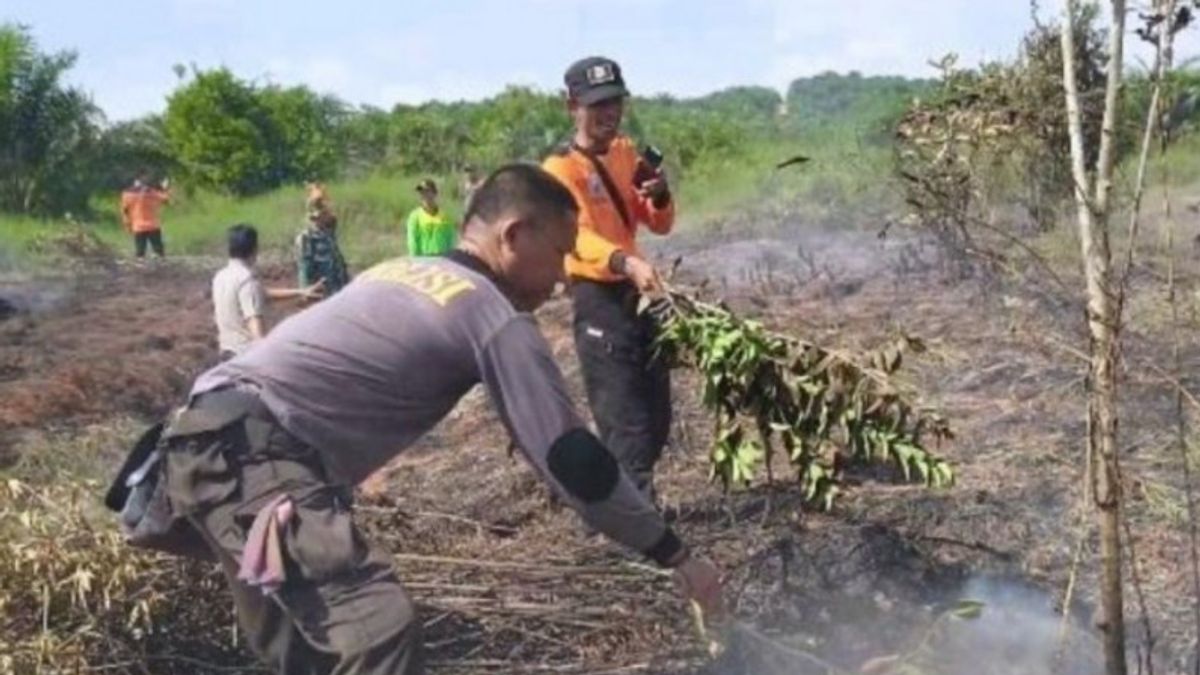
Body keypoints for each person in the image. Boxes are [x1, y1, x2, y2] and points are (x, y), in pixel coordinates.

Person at [112, 164, 722, 674]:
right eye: (560, 252)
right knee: (378, 631)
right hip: (256, 456)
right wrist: (674, 553)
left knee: (310, 652)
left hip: (196, 441)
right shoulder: (492, 314)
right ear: (515, 234)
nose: (565, 278)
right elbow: (572, 462)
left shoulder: (399, 269)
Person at [542, 56, 675, 504]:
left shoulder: (624, 152)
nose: (608, 114)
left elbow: (656, 223)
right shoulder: (560, 170)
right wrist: (623, 262)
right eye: (597, 105)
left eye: (614, 103)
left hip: (635, 295)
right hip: (598, 297)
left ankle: (619, 504)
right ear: (572, 106)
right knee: (626, 426)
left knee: (657, 416)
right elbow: (574, 235)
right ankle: (639, 534)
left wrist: (659, 195)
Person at [212, 223, 324, 361]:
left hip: (226, 353)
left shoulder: (221, 277)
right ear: (254, 249)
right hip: (245, 355)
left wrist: (301, 292)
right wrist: (266, 355)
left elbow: (262, 294)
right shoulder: (246, 280)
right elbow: (255, 326)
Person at [296, 196, 350, 297]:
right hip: (323, 291)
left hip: (338, 287)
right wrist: (306, 290)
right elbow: (304, 267)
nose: (327, 216)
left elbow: (334, 220)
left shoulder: (328, 233)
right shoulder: (307, 237)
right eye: (323, 214)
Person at [120, 171, 171, 259]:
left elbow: (125, 211)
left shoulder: (127, 195)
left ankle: (141, 270)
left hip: (138, 227)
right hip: (153, 226)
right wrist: (164, 188)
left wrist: (127, 225)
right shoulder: (151, 193)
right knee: (159, 253)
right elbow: (166, 199)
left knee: (140, 254)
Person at [405, 178, 456, 256]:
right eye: (421, 192)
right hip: (423, 260)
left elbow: (450, 241)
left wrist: (450, 259)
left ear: (435, 193)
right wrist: (415, 261)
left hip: (441, 259)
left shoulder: (445, 217)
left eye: (427, 191)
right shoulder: (415, 216)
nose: (424, 195)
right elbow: (412, 242)